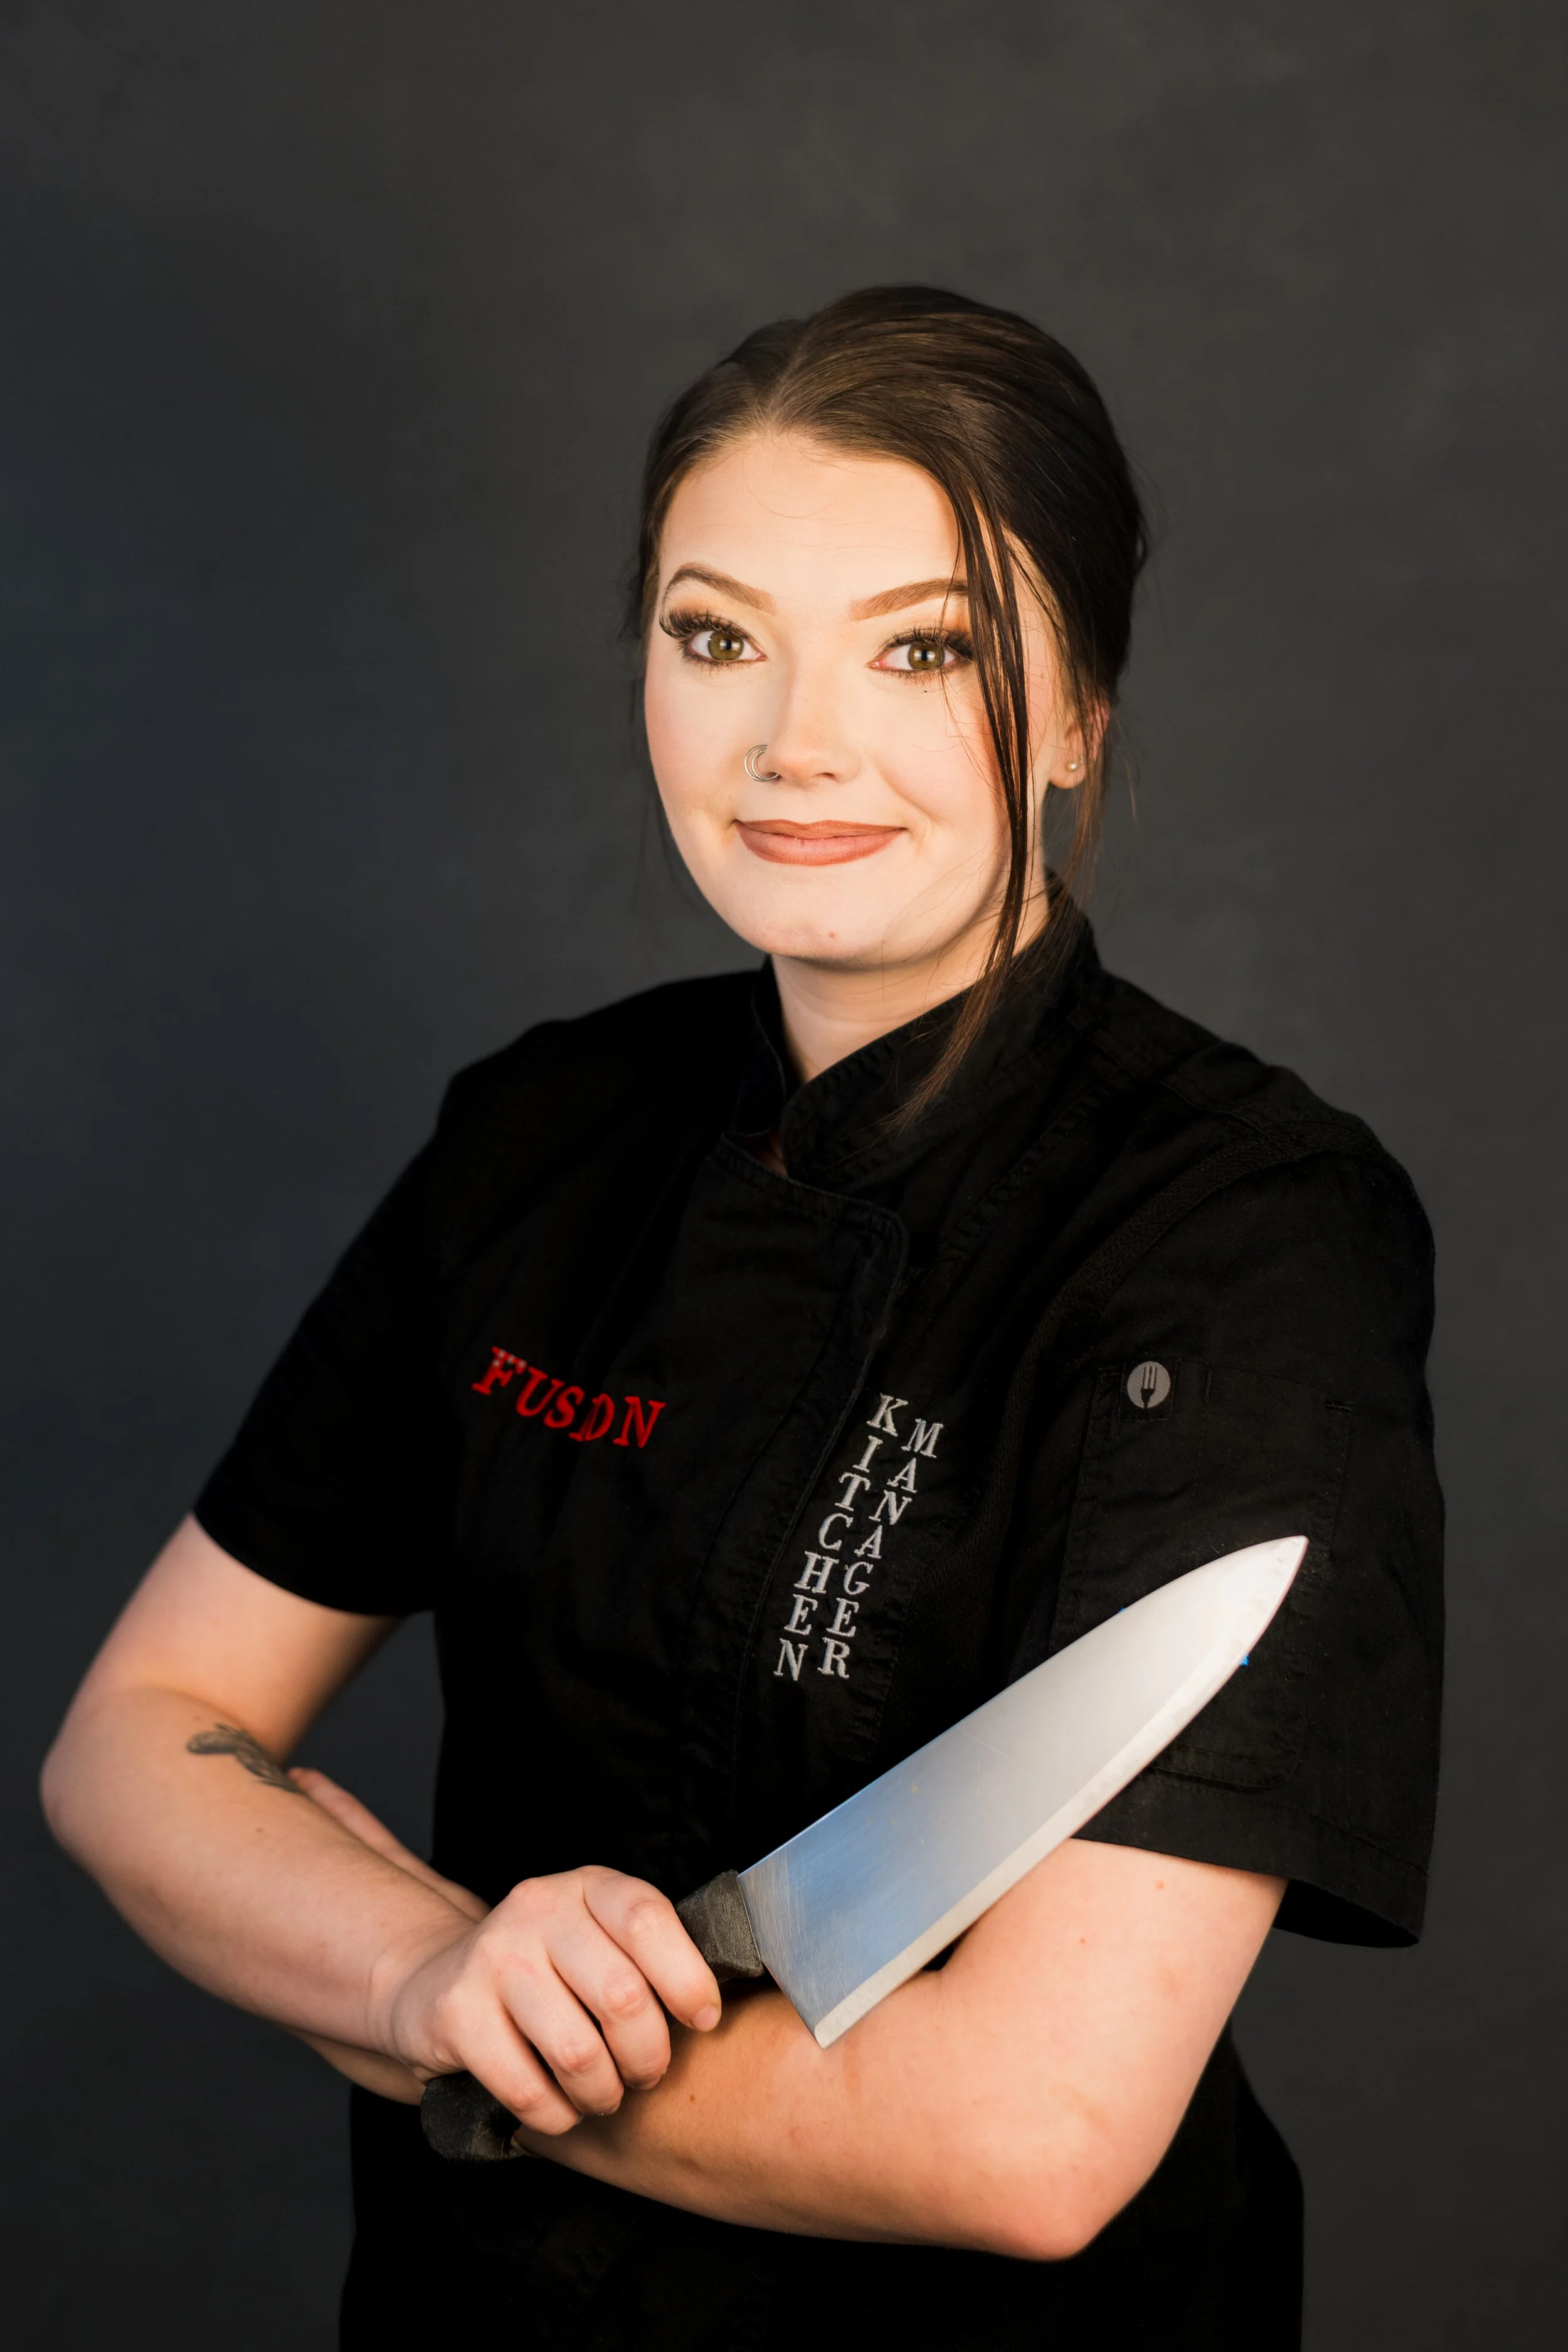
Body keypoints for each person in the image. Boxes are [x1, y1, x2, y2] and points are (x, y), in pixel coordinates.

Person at [41, 287, 1442, 2349]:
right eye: (717, 637)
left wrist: (445, 2048)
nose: (796, 739)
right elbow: (132, 1748)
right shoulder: (538, 1133)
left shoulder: (1248, 1233)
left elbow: (1030, 2136)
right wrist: (436, 1978)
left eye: (924, 646)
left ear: (1076, 713)